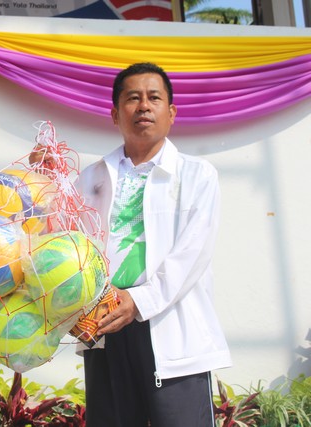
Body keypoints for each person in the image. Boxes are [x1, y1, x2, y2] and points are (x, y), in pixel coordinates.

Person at [76, 62, 233, 426]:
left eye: (154, 98)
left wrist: (139, 301)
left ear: (171, 112)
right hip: (105, 324)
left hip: (171, 325)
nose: (143, 106)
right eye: (133, 98)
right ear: (115, 114)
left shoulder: (196, 175)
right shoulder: (90, 178)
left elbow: (192, 253)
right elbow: (69, 246)